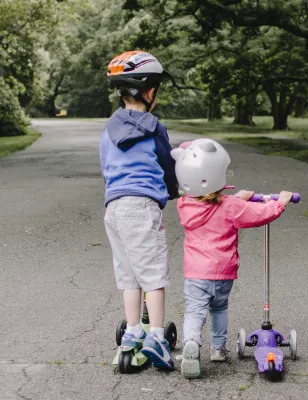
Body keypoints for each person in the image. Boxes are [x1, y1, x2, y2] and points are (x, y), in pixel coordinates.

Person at [170, 138, 293, 379]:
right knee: (219, 308)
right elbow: (258, 214)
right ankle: (217, 349)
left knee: (195, 311)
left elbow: (210, 202)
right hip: (223, 272)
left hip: (196, 273)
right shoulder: (231, 206)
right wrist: (280, 203)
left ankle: (191, 343)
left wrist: (238, 197)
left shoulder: (184, 205)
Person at [100, 50, 179, 370]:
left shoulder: (108, 129)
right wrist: (174, 190)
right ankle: (157, 338)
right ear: (149, 93)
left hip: (114, 208)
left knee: (129, 275)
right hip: (141, 207)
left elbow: (106, 167)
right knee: (154, 275)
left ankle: (132, 333)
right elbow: (168, 163)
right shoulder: (154, 127)